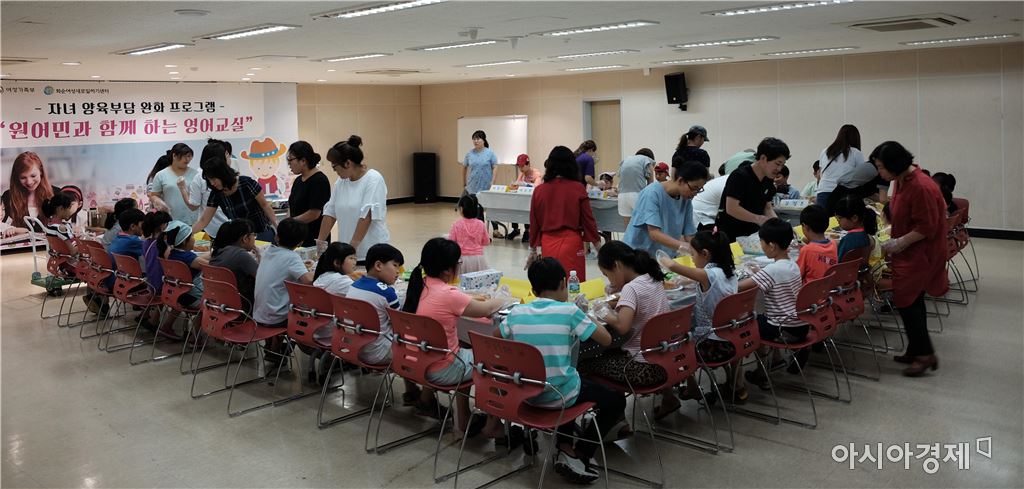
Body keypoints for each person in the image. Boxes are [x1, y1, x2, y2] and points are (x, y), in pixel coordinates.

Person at [498, 257, 620, 484]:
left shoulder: (516, 313)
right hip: (559, 395)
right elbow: (606, 339)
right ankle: (580, 452)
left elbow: (496, 338)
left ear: (533, 288)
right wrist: (585, 314)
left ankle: (564, 445)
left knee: (566, 378)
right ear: (564, 283)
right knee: (613, 400)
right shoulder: (570, 312)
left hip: (525, 394)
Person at [401, 238, 506, 434]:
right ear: (448, 270)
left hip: (414, 362)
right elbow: (485, 309)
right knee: (495, 359)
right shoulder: (448, 294)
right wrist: (502, 299)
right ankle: (494, 424)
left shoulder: (418, 285)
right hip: (442, 369)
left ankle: (462, 416)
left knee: (464, 347)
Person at [870, 141, 946, 377]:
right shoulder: (901, 180)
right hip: (908, 253)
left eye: (881, 167)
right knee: (912, 301)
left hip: (920, 254)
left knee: (907, 302)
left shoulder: (921, 186)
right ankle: (915, 349)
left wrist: (899, 243)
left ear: (894, 164)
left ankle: (925, 354)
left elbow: (927, 227)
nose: (879, 173)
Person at [578, 241, 676, 417]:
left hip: (643, 368)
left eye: (607, 274)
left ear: (616, 265)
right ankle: (668, 398)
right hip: (665, 360)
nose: (609, 279)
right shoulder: (651, 278)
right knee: (610, 351)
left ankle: (614, 418)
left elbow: (622, 327)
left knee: (583, 363)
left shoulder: (632, 288)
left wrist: (602, 313)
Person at [657, 229, 738, 401]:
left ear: (705, 254)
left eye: (693, 254)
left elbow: (672, 266)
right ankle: (728, 383)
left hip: (711, 345)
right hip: (731, 337)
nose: (692, 259)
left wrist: (660, 258)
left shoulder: (707, 274)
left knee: (674, 341)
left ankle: (689, 387)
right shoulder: (729, 270)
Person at [736, 219, 807, 389]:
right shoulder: (792, 265)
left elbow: (738, 287)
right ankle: (775, 360)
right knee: (761, 318)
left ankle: (762, 373)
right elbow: (773, 276)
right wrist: (759, 273)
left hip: (783, 329)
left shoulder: (772, 270)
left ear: (772, 246)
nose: (761, 246)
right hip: (800, 325)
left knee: (748, 324)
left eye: (761, 242)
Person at [527, 146, 600, 281]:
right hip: (572, 244)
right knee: (575, 286)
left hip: (548, 244)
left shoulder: (539, 191)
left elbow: (534, 222)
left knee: (551, 284)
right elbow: (588, 220)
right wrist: (598, 247)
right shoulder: (578, 188)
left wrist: (532, 250)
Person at [317, 135, 390, 263]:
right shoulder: (341, 182)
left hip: (370, 253)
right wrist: (320, 245)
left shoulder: (373, 179)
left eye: (334, 166)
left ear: (348, 163)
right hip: (347, 253)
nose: (334, 170)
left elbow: (366, 216)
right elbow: (330, 213)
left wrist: (351, 250)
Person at [623, 160, 706, 257]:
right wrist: (684, 246)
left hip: (662, 256)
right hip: (637, 255)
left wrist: (700, 249)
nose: (695, 193)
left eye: (699, 190)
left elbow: (689, 234)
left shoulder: (685, 200)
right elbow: (654, 233)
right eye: (694, 188)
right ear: (681, 181)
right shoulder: (652, 193)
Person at [716, 137, 788, 242]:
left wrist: (779, 226)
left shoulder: (768, 179)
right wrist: (758, 219)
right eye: (777, 164)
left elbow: (767, 208)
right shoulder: (740, 176)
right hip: (730, 234)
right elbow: (731, 208)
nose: (779, 169)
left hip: (751, 234)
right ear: (763, 158)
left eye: (782, 165)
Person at [193, 153, 278, 242]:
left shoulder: (246, 183)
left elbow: (265, 206)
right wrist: (187, 235)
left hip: (261, 231)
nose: (212, 183)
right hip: (241, 237)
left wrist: (277, 227)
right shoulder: (216, 193)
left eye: (214, 179)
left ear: (222, 174)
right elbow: (204, 220)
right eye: (209, 180)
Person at [346, 243, 405, 367]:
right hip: (379, 354)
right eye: (395, 265)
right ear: (378, 265)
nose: (398, 271)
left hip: (354, 349)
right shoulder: (387, 293)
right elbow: (401, 326)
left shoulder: (354, 285)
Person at [254, 218, 315, 328]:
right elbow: (309, 281)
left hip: (259, 315)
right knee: (312, 310)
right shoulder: (292, 257)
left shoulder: (268, 251)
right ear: (300, 243)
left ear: (276, 237)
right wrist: (319, 269)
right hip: (277, 318)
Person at [817, 124, 887, 211]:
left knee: (823, 218)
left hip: (823, 191)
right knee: (842, 218)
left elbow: (820, 174)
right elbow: (861, 177)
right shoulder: (856, 153)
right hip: (843, 193)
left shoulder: (825, 151)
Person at [157, 221, 210, 335]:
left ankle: (167, 326)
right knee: (208, 305)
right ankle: (196, 337)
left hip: (177, 294)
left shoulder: (172, 254)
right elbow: (210, 266)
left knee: (181, 297)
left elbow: (197, 260)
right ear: (185, 241)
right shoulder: (188, 257)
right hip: (193, 297)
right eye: (192, 237)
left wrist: (210, 254)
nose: (194, 239)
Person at [179, 139, 236, 239]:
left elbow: (194, 206)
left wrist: (182, 188)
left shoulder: (232, 176)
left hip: (230, 228)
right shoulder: (202, 179)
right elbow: (199, 214)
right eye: (226, 155)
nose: (213, 183)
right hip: (212, 229)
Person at [2, 151, 60, 237]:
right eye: (23, 177)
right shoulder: (8, 197)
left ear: (41, 172)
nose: (29, 182)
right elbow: (2, 225)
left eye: (33, 176)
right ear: (17, 178)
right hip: (19, 245)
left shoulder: (57, 194)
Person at [286, 141, 331, 247]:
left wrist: (290, 222)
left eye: (291, 160)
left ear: (303, 161)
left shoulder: (319, 180)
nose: (289, 164)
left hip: (314, 239)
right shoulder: (298, 180)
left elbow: (314, 213)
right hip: (298, 237)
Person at [209, 218, 260, 310]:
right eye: (254, 235)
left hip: (220, 304)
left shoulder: (218, 252)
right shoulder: (241, 255)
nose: (254, 238)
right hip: (243, 306)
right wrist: (260, 257)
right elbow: (262, 279)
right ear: (245, 238)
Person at [461, 130, 502, 238]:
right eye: (474, 139)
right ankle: (481, 232)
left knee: (490, 208)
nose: (476, 141)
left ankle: (495, 230)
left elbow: (495, 166)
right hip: (473, 186)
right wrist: (464, 182)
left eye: (478, 138)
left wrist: (493, 182)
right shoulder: (469, 154)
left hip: (486, 186)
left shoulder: (490, 153)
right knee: (477, 210)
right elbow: (464, 167)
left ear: (483, 140)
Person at [148, 143, 198, 224]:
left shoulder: (195, 174)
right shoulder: (161, 175)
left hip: (192, 220)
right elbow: (154, 195)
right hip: (171, 220)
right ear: (174, 156)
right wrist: (158, 202)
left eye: (189, 156)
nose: (187, 159)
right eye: (184, 156)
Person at [692, 160, 751, 228]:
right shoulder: (733, 183)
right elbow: (732, 210)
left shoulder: (734, 179)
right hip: (701, 216)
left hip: (709, 213)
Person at [448, 194, 490, 274]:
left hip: (462, 259)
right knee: (478, 279)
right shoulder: (481, 224)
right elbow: (486, 242)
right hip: (478, 259)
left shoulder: (457, 224)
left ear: (461, 209)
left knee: (462, 279)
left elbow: (451, 242)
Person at [796, 204, 837, 283]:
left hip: (809, 289)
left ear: (805, 226)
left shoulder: (807, 250)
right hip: (827, 287)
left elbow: (797, 275)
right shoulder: (833, 244)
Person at [616, 148, 655, 227]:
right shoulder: (647, 160)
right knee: (642, 228)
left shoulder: (626, 160)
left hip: (622, 197)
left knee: (628, 229)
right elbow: (650, 185)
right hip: (637, 196)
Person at [834, 195, 879, 261]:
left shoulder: (848, 240)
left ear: (854, 218)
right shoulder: (867, 236)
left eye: (840, 218)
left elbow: (839, 262)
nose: (838, 221)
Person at [506, 153, 537, 242]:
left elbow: (537, 186)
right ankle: (515, 229)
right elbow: (517, 184)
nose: (520, 168)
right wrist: (513, 185)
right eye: (519, 166)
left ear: (528, 164)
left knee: (527, 210)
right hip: (522, 199)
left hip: (532, 201)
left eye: (522, 166)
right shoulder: (522, 174)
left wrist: (526, 184)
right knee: (513, 207)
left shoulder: (535, 173)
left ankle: (527, 230)